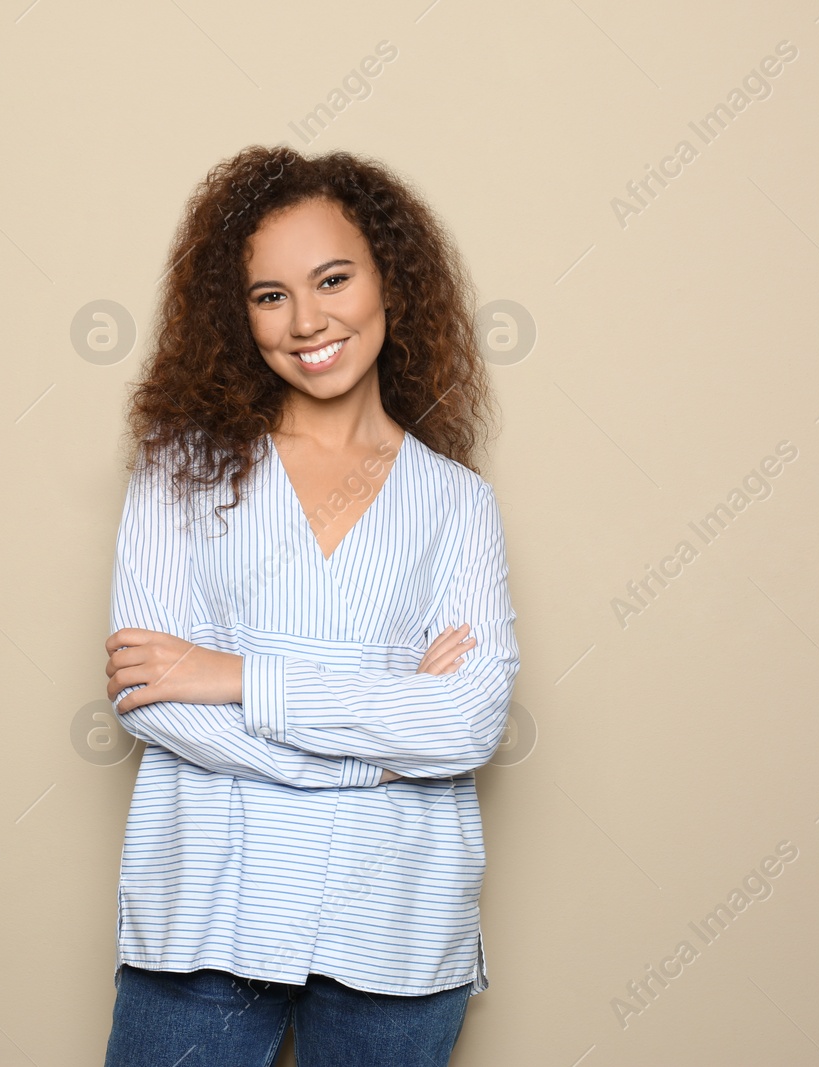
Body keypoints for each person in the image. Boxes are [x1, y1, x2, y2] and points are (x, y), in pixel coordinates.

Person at [101, 144, 520, 1067]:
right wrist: (377, 755)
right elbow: (153, 698)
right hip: (205, 913)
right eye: (269, 294)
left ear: (390, 283)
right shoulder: (179, 470)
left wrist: (233, 673)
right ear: (236, 315)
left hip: (396, 921)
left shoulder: (456, 501)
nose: (306, 319)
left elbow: (467, 720)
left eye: (333, 278)